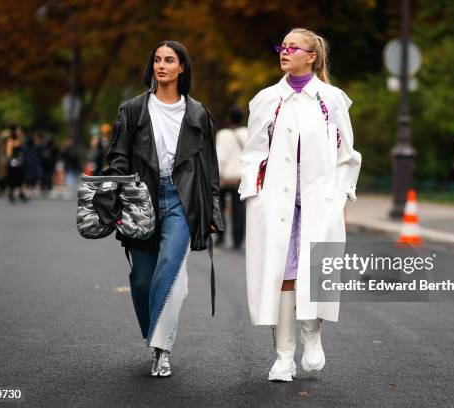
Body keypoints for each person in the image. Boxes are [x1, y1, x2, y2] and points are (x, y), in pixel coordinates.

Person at [239, 28, 362, 382]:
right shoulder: (266, 99)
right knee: (283, 275)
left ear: (312, 57)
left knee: (316, 269)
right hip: (275, 203)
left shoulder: (331, 100)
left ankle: (312, 333)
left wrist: (339, 196)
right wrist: (255, 196)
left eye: (293, 47)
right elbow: (253, 153)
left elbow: (347, 154)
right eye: (282, 46)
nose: (285, 51)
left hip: (318, 202)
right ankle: (282, 356)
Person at [99, 40, 223, 378]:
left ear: (182, 67)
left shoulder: (198, 114)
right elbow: (118, 159)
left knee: (169, 270)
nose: (161, 65)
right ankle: (154, 334)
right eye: (156, 60)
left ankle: (162, 350)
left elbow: (210, 169)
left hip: (182, 201)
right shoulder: (134, 110)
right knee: (140, 281)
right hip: (142, 200)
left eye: (169, 60)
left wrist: (213, 213)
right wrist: (117, 203)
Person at [215, 107, 248, 249]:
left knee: (219, 209)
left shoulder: (223, 135)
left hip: (224, 178)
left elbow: (220, 156)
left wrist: (217, 176)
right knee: (239, 210)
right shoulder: (247, 133)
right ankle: (238, 239)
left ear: (229, 119)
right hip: (240, 178)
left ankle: (220, 237)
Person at [6, 127, 28, 203]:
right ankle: (11, 194)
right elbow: (9, 153)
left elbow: (23, 151)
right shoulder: (11, 140)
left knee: (20, 178)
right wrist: (12, 160)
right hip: (13, 162)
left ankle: (21, 193)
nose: (19, 132)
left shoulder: (21, 140)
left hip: (20, 162)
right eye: (18, 131)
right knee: (13, 178)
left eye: (20, 131)